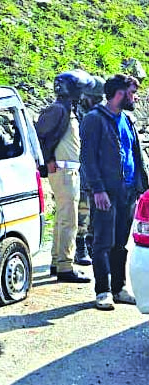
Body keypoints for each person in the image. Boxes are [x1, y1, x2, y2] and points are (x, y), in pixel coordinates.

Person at [80, 74, 149, 310]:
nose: (135, 97)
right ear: (119, 93)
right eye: (132, 92)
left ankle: (119, 288)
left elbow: (136, 156)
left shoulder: (127, 119)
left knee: (121, 243)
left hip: (128, 193)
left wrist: (142, 187)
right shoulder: (94, 120)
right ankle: (103, 291)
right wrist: (97, 190)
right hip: (105, 193)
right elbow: (88, 158)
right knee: (103, 243)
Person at [35, 70, 93, 283]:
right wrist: (48, 159)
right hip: (63, 170)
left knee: (62, 218)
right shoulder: (58, 110)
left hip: (67, 170)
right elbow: (40, 136)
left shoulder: (66, 109)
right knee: (69, 219)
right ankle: (65, 266)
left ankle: (57, 261)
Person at [74, 75, 106, 266]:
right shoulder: (73, 113)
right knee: (82, 210)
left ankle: (92, 242)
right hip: (79, 168)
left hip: (96, 168)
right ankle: (80, 246)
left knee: (97, 210)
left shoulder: (101, 114)